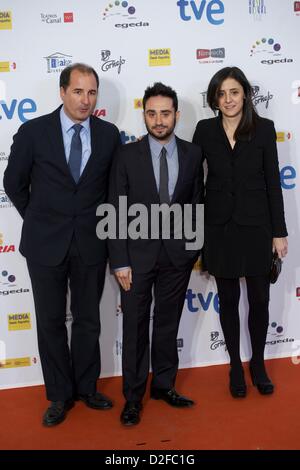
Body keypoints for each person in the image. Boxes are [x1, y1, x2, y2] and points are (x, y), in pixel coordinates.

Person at [4, 63, 120, 426]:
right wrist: (38, 216)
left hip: (90, 243)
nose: (85, 100)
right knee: (50, 321)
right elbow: (14, 183)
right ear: (62, 92)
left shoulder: (109, 134)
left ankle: (87, 388)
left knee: (88, 321)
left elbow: (114, 191)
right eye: (77, 91)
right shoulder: (33, 131)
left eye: (91, 93)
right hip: (44, 245)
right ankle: (59, 395)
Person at [108, 82, 204, 425]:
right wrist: (119, 259)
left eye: (165, 113)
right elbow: (115, 208)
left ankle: (164, 385)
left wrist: (193, 249)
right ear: (144, 114)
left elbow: (195, 203)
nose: (159, 120)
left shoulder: (193, 154)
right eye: (152, 113)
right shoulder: (126, 155)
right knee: (134, 327)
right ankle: (133, 397)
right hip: (135, 259)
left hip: (177, 258)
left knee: (168, 323)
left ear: (176, 114)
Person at [192, 66, 288, 398]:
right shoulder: (204, 130)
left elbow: (273, 184)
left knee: (260, 299)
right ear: (214, 98)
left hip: (257, 228)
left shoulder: (264, 129)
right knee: (229, 300)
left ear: (245, 93)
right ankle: (235, 364)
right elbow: (193, 182)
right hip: (219, 229)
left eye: (234, 92)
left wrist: (279, 231)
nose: (228, 99)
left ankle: (257, 364)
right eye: (221, 93)